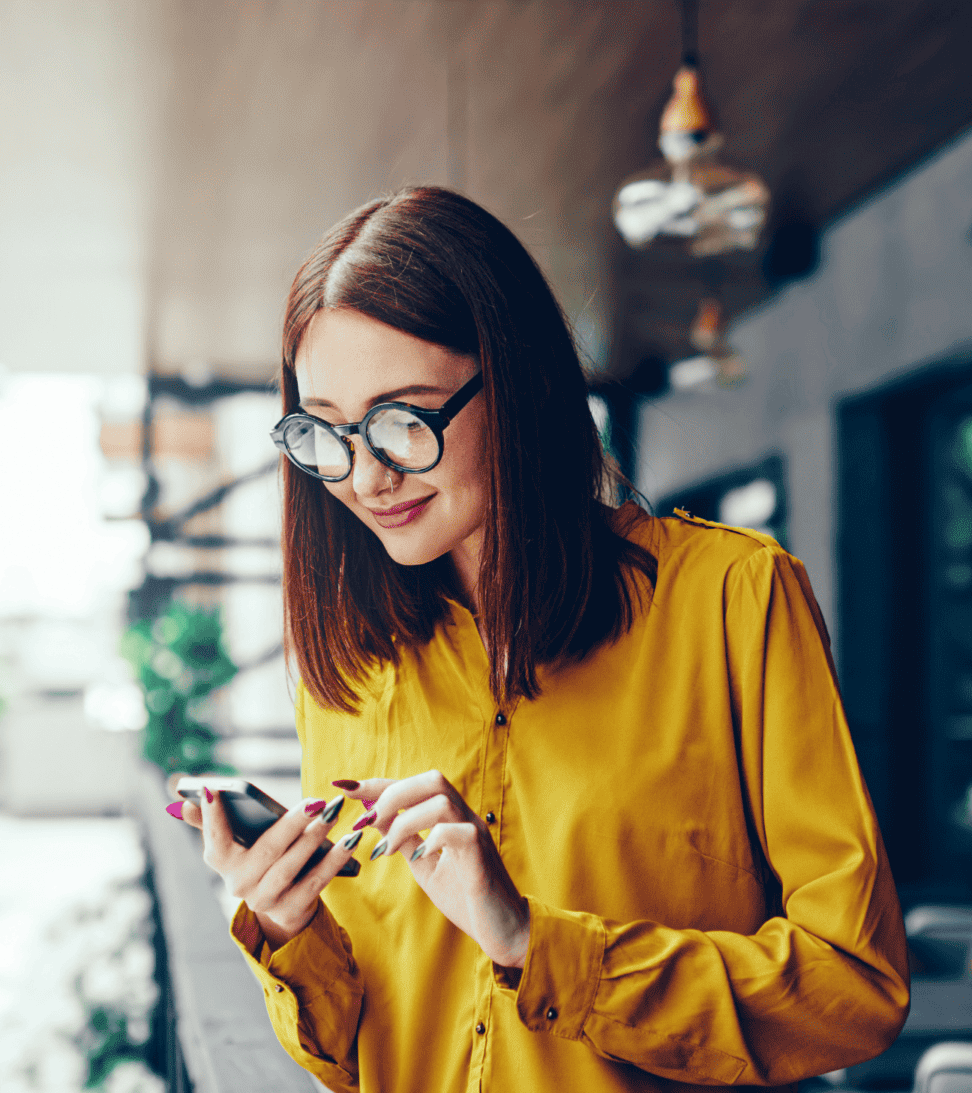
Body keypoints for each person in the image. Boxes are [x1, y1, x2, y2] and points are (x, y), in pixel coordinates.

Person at [167, 186, 908, 1092]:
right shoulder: (349, 665)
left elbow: (853, 987)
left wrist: (536, 943)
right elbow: (357, 1057)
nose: (363, 476)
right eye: (326, 432)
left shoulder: (734, 600)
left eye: (404, 420)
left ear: (515, 386)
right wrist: (288, 932)